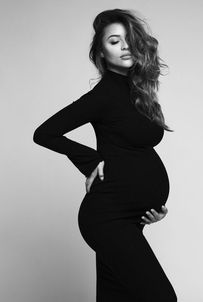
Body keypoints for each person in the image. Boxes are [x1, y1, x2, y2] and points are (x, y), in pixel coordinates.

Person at [33, 8, 177, 302]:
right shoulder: (104, 95)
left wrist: (153, 206)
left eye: (129, 39)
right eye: (114, 41)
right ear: (100, 52)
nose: (125, 46)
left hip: (129, 218)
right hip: (107, 217)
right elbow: (44, 133)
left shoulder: (138, 94)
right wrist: (90, 161)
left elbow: (132, 152)